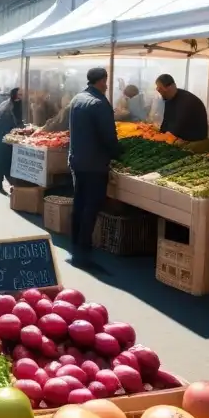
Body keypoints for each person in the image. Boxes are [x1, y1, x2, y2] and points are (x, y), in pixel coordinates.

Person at [68, 67, 122, 268]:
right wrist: (118, 153)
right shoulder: (99, 104)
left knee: (79, 202)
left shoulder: (77, 99)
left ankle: (75, 242)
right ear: (102, 81)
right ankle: (83, 248)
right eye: (106, 81)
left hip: (77, 159)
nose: (106, 85)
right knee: (92, 205)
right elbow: (108, 136)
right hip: (95, 163)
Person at [156, 74, 208, 141]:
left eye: (159, 88)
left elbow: (177, 126)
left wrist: (159, 137)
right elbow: (167, 120)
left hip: (193, 141)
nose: (157, 90)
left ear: (169, 88)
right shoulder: (170, 98)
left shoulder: (187, 102)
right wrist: (161, 133)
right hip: (180, 136)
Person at [0, 88, 23, 193]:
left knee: (1, 160)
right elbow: (9, 125)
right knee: (4, 161)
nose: (22, 96)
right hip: (3, 136)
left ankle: (0, 184)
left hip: (2, 136)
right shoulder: (7, 108)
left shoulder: (8, 104)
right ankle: (8, 185)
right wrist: (18, 131)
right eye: (20, 94)